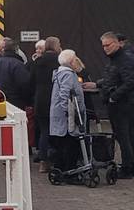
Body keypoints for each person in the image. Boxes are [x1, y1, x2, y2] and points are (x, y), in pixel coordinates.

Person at [97, 32, 134, 179]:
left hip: (122, 105)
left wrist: (114, 97)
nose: (105, 48)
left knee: (124, 136)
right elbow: (113, 77)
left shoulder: (123, 60)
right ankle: (131, 165)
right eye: (103, 46)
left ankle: (129, 167)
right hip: (118, 103)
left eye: (108, 45)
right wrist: (98, 84)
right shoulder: (114, 60)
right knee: (123, 136)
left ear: (117, 43)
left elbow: (129, 82)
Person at [49, 50, 87, 181]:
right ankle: (70, 172)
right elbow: (65, 95)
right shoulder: (68, 75)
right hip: (67, 118)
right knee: (69, 144)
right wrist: (71, 114)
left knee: (61, 144)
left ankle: (61, 170)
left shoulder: (59, 74)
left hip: (60, 115)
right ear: (71, 61)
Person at [30, 36, 62, 173]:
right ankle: (59, 159)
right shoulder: (60, 61)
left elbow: (30, 81)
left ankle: (44, 161)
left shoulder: (37, 62)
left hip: (40, 100)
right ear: (56, 46)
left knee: (44, 131)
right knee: (59, 130)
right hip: (56, 99)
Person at [0, 38, 32, 108]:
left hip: (1, 102)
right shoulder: (18, 64)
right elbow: (25, 85)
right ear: (15, 49)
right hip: (16, 103)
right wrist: (28, 102)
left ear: (4, 49)